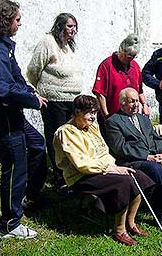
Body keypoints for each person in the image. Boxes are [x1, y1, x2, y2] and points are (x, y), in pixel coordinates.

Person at [0, 0, 47, 239]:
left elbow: (14, 78)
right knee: (15, 166)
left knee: (37, 144)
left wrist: (29, 89)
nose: (20, 23)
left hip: (12, 113)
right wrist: (32, 101)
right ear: (5, 21)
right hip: (4, 116)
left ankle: (27, 195)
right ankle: (10, 224)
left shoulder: (2, 45)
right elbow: (2, 90)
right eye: (17, 19)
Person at [53, 95, 154, 246]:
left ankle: (131, 223)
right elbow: (82, 164)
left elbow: (103, 151)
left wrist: (113, 167)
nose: (93, 117)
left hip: (101, 169)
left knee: (136, 175)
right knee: (124, 182)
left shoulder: (92, 127)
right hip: (80, 176)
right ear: (77, 112)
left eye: (95, 112)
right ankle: (119, 230)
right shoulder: (66, 132)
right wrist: (107, 168)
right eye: (89, 113)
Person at [105, 88, 162, 230]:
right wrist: (147, 157)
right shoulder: (113, 121)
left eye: (137, 101)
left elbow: (156, 138)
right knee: (155, 169)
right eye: (131, 102)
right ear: (122, 103)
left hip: (155, 155)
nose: (136, 104)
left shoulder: (143, 119)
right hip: (134, 160)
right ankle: (160, 212)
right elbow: (120, 147)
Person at [27, 13, 82, 192]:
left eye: (74, 26)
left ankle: (71, 173)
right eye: (69, 26)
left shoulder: (68, 46)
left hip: (70, 100)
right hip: (54, 100)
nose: (72, 30)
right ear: (59, 26)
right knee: (56, 139)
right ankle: (60, 178)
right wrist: (39, 89)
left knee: (69, 138)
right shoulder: (47, 42)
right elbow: (34, 69)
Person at [92, 33, 149, 135]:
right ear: (121, 50)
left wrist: (144, 105)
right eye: (128, 56)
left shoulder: (135, 67)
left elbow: (139, 90)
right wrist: (106, 116)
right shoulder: (106, 65)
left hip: (131, 118)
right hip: (112, 117)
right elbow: (100, 93)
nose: (130, 59)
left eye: (133, 57)